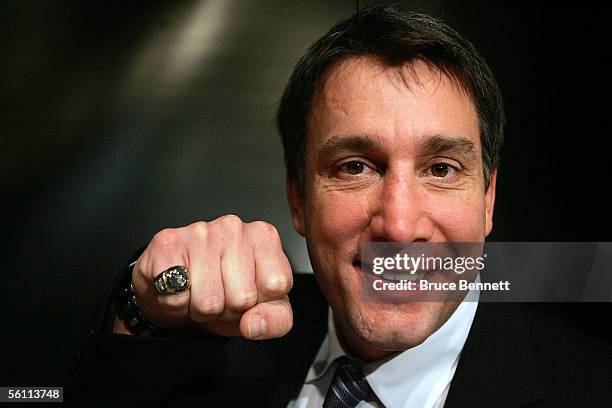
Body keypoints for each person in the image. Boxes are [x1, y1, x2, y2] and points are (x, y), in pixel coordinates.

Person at [70, 5, 610, 407]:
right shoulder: (219, 352)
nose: (398, 225)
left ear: (488, 200)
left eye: (441, 169)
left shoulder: (588, 385)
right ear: (298, 199)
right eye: (355, 167)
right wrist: (142, 313)